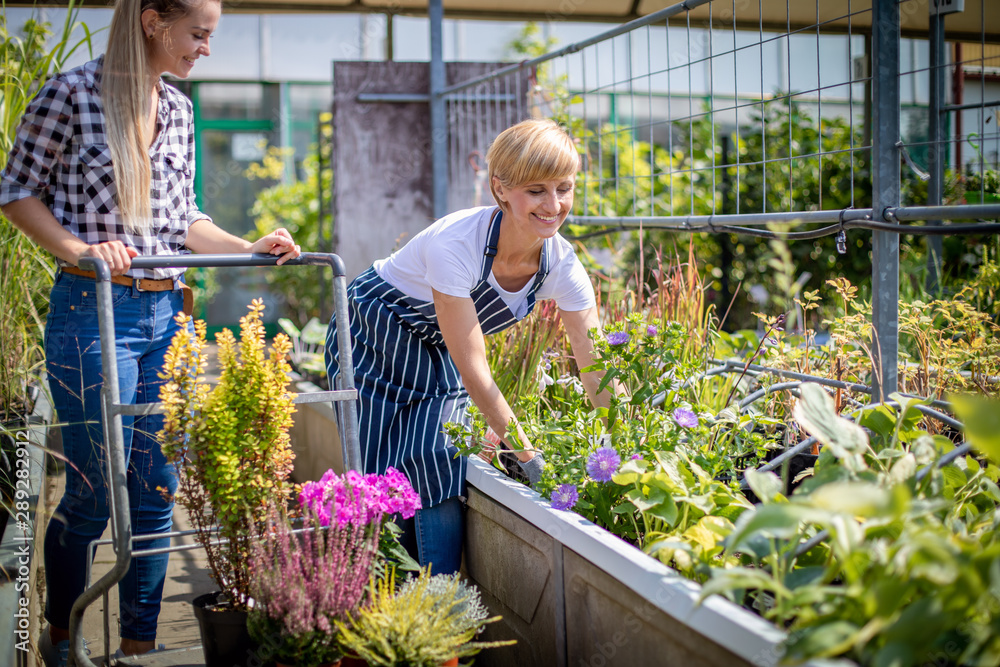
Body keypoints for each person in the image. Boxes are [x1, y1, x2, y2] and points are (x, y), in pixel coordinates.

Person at [0, 0, 300, 663]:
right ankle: (59, 633)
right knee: (92, 494)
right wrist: (79, 248)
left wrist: (250, 244)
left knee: (157, 489)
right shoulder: (72, 92)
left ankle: (140, 646)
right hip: (94, 311)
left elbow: (182, 219)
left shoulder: (181, 110)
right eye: (198, 33)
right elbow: (17, 191)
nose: (206, 48)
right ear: (152, 22)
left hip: (167, 316)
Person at [325, 118, 610, 575]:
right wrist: (527, 454)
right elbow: (474, 370)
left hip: (435, 344)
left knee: (439, 457)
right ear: (501, 188)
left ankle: (433, 604)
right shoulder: (458, 244)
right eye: (536, 190)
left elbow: (595, 361)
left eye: (564, 187)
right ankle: (375, 601)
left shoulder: (561, 265)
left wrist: (619, 443)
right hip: (373, 332)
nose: (554, 205)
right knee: (375, 470)